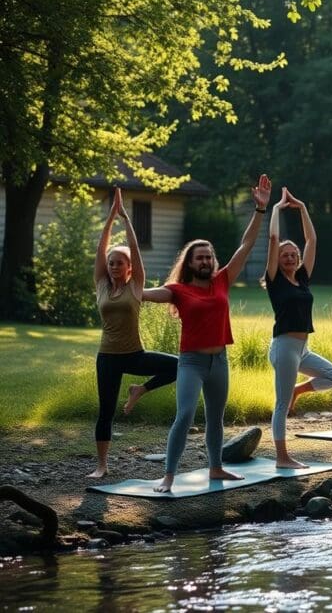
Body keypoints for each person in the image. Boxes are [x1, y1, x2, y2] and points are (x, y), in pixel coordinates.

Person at [143, 175, 271, 492]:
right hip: (191, 362)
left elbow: (246, 245)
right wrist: (125, 282)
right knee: (185, 415)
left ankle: (216, 468)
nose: (205, 260)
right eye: (199, 256)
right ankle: (168, 476)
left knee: (216, 419)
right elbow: (146, 294)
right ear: (190, 262)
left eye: (208, 256)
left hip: (220, 362)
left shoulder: (222, 280)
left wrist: (259, 210)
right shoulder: (178, 289)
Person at [90, 188, 178, 478]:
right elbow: (100, 251)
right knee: (106, 412)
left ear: (129, 269)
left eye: (120, 263)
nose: (114, 266)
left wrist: (126, 219)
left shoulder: (136, 286)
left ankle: (140, 390)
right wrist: (109, 219)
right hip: (108, 357)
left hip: (134, 354)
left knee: (178, 366)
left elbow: (136, 251)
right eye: (112, 263)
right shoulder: (102, 285)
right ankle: (102, 466)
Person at [264, 188, 332, 467]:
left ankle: (299, 390)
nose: (289, 257)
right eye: (284, 255)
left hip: (303, 348)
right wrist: (276, 208)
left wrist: (302, 208)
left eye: (293, 254)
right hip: (284, 347)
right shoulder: (275, 280)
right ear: (278, 259)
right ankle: (282, 457)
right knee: (280, 404)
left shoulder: (303, 279)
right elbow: (274, 238)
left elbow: (312, 239)